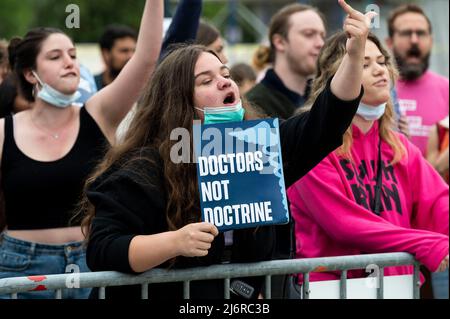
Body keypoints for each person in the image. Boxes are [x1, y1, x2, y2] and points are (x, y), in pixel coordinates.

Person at [81, 0, 375, 299]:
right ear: (177, 102)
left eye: (225, 74)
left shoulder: (262, 147)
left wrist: (353, 55)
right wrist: (174, 242)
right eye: (206, 81)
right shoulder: (143, 166)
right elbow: (103, 249)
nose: (224, 83)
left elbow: (327, 121)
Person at [0, 0, 163, 299]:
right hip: (20, 270)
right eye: (55, 56)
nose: (69, 62)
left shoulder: (99, 113)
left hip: (91, 264)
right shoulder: (3, 131)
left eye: (73, 55)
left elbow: (145, 59)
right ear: (29, 73)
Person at [287, 11, 449, 294]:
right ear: (337, 78)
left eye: (382, 61)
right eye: (364, 63)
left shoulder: (398, 146)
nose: (379, 70)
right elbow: (345, 224)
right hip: (330, 289)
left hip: (397, 287)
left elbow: (437, 203)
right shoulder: (311, 148)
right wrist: (424, 243)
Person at [386, 4, 449, 157]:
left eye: (421, 33)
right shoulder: (375, 89)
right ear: (389, 42)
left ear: (431, 41)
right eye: (406, 33)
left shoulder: (447, 89)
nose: (414, 40)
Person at [246, 3, 326, 120]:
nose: (320, 43)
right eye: (309, 34)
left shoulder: (321, 98)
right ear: (280, 42)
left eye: (322, 36)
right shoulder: (254, 105)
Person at [94, 24, 137, 90]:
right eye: (124, 51)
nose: (131, 56)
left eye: (134, 51)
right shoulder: (90, 87)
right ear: (106, 54)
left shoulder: (143, 90)